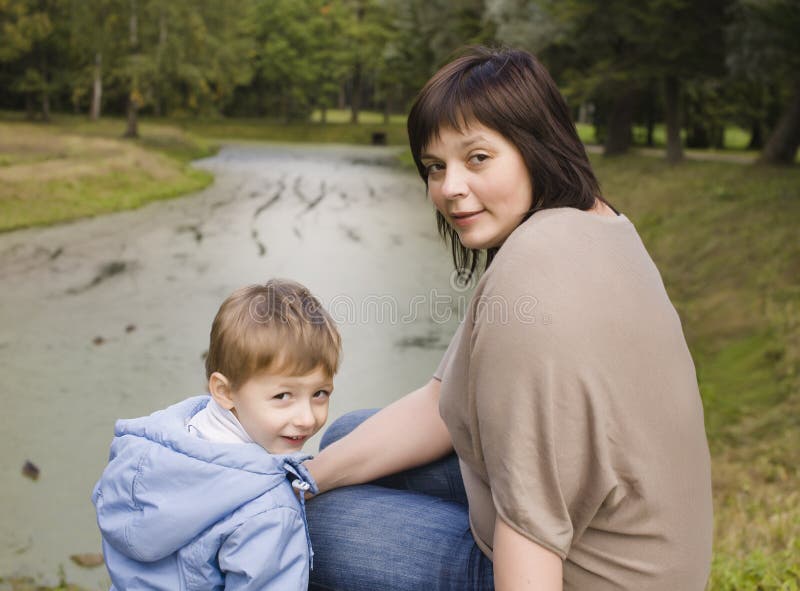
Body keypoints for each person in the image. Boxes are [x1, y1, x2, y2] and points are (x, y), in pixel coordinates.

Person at [303, 46, 713, 590]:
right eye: (435, 167)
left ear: (535, 146)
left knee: (315, 528)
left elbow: (533, 529)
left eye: (477, 158)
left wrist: (296, 505)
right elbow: (438, 404)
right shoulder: (594, 223)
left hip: (590, 575)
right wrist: (296, 480)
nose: (450, 188)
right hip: (645, 539)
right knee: (347, 442)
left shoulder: (532, 276)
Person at [92, 279, 341, 591]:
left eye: (320, 393)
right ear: (224, 391)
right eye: (283, 396)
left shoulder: (143, 450)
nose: (307, 418)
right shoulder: (268, 510)